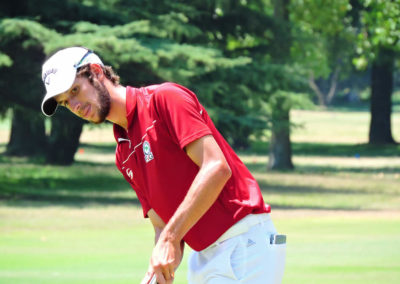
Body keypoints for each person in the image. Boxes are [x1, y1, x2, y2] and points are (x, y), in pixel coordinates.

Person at [40, 46, 286, 284]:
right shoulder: (123, 152)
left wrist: (170, 237)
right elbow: (162, 226)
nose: (75, 106)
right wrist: (156, 271)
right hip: (204, 257)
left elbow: (216, 168)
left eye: (74, 90)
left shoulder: (164, 99)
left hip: (243, 244)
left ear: (96, 71)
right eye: (65, 102)